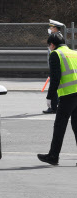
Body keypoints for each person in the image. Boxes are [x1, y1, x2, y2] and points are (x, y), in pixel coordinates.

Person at [37, 33, 77, 165]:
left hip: (67, 95)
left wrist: (50, 97)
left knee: (59, 126)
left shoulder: (56, 54)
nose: (49, 48)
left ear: (52, 45)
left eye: (49, 46)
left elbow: (55, 78)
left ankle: (53, 156)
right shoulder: (74, 53)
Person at [43, 20, 65, 114]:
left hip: (56, 66)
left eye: (51, 27)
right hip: (54, 65)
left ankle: (53, 107)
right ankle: (54, 106)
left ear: (55, 28)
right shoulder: (55, 37)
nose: (50, 29)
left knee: (54, 85)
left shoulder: (58, 38)